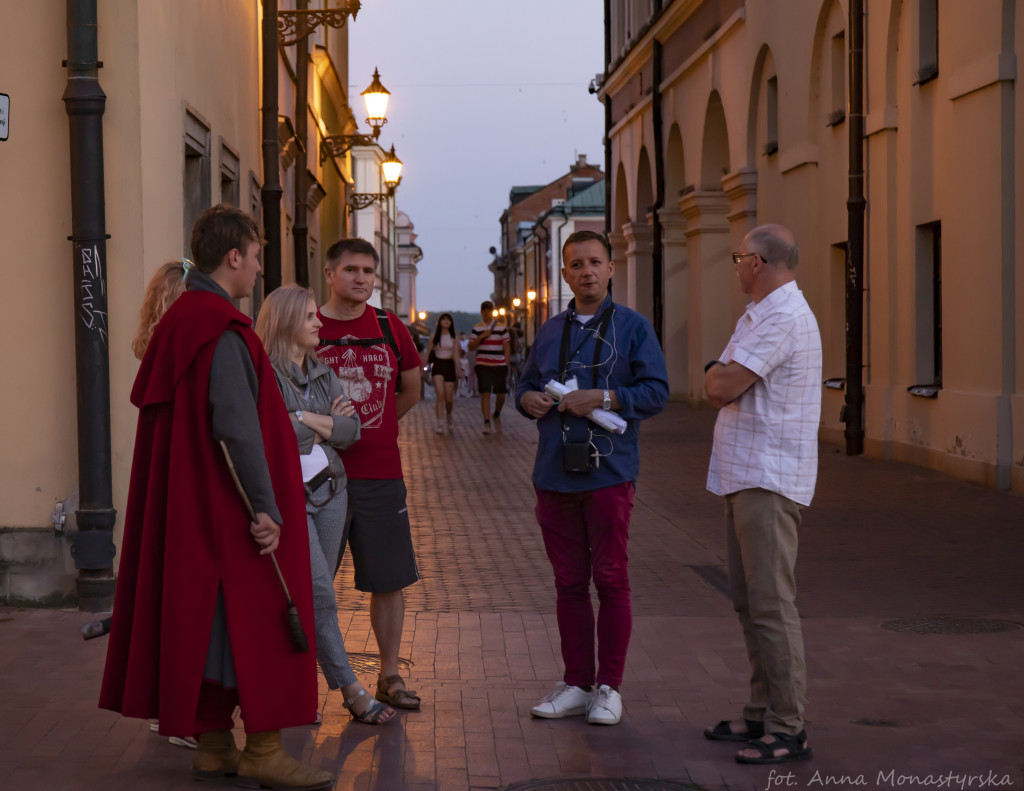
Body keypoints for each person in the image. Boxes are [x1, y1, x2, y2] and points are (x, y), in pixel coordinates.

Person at [99, 205, 332, 790]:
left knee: (209, 620)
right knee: (255, 621)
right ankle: (262, 750)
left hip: (195, 505)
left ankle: (210, 745)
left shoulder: (185, 319)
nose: (258, 270)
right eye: (255, 258)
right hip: (231, 509)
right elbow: (234, 426)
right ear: (233, 257)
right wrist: (266, 508)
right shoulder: (220, 328)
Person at [516, 230, 668, 726]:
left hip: (608, 472)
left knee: (611, 579)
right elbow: (525, 384)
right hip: (554, 474)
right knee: (568, 583)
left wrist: (603, 397)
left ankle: (610, 687)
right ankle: (577, 682)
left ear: (610, 269)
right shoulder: (548, 330)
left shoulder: (633, 328)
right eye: (576, 264)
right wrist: (527, 401)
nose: (586, 271)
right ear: (564, 273)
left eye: (595, 262)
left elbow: (656, 392)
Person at [703, 223, 821, 765]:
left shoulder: (783, 317)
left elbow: (721, 384)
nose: (735, 266)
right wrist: (718, 374)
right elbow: (718, 379)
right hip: (744, 472)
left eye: (737, 257)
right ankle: (761, 710)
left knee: (772, 605)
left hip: (768, 478)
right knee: (750, 602)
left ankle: (788, 726)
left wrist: (717, 374)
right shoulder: (760, 314)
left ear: (757, 261)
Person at [255, 284, 396, 727]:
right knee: (317, 593)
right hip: (289, 499)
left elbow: (352, 430)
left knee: (315, 594)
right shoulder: (263, 374)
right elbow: (270, 433)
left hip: (333, 491)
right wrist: (321, 424)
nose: (320, 323)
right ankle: (350, 690)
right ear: (285, 322)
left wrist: (303, 420)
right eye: (311, 317)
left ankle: (293, 687)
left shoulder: (321, 370)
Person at [315, 237, 424, 711]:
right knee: (312, 580)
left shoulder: (389, 327)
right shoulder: (308, 326)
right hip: (320, 477)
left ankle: (390, 675)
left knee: (389, 578)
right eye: (351, 270)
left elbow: (412, 389)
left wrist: (370, 430)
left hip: (380, 474)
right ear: (330, 274)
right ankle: (301, 680)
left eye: (368, 271)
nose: (361, 279)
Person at [469, 300, 510, 433]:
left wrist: (506, 362)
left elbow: (506, 345)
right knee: (485, 393)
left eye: (489, 311)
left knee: (501, 395)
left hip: (499, 364)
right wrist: (481, 337)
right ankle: (486, 422)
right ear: (481, 312)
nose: (487, 313)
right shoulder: (477, 328)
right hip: (483, 364)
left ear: (492, 312)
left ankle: (496, 413)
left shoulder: (501, 327)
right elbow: (471, 347)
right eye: (484, 311)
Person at [426, 312, 462, 434]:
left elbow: (456, 355)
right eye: (444, 319)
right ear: (440, 322)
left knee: (449, 398)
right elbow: (428, 353)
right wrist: (422, 367)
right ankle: (440, 422)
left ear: (451, 323)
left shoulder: (454, 338)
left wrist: (459, 368)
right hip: (438, 366)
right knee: (440, 395)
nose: (446, 321)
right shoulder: (434, 336)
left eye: (448, 320)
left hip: (449, 366)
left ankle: (449, 416)